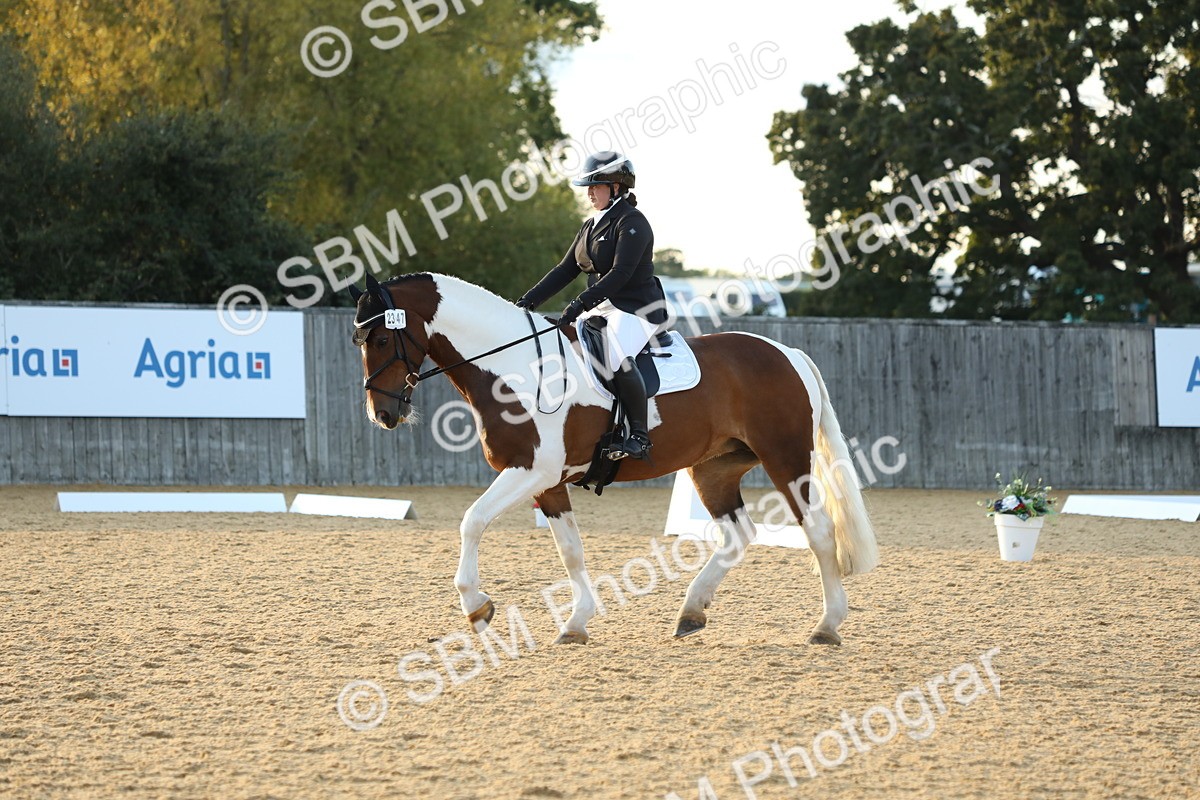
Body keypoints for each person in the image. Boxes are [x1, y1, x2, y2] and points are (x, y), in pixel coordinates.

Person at [515, 151, 666, 460]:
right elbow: (564, 270)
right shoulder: (590, 226)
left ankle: (639, 435)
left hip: (635, 309)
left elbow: (621, 274)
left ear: (616, 187)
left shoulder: (633, 223)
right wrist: (525, 303)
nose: (589, 193)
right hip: (600, 309)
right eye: (588, 186)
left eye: (595, 186)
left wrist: (577, 305)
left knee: (616, 356)